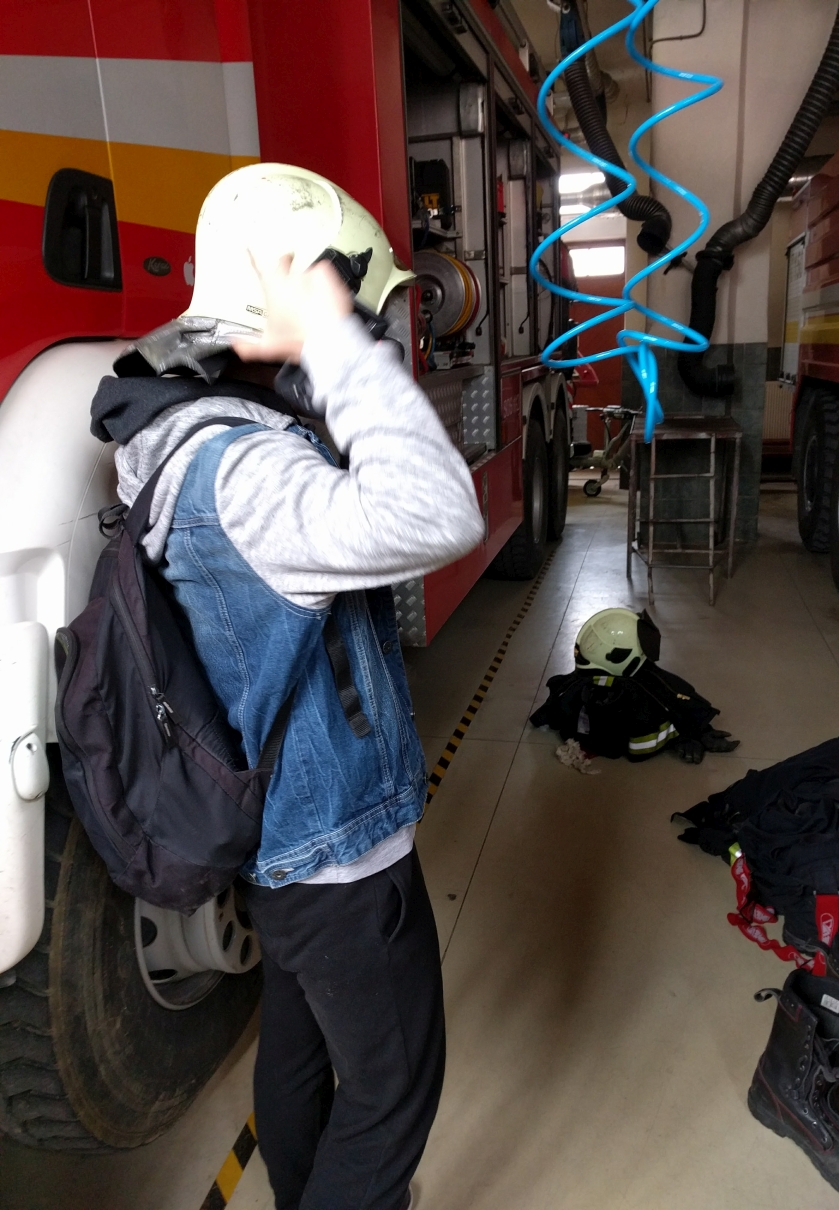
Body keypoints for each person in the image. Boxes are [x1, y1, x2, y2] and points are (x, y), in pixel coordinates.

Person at [90, 164, 485, 1210]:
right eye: (359, 311)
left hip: (283, 845)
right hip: (337, 853)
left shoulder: (183, 432)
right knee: (392, 1094)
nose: (372, 336)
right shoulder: (244, 473)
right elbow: (437, 511)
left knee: (300, 1048)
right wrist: (334, 341)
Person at [530, 607, 740, 763]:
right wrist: (683, 735)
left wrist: (699, 727)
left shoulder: (572, 686)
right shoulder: (628, 696)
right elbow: (639, 745)